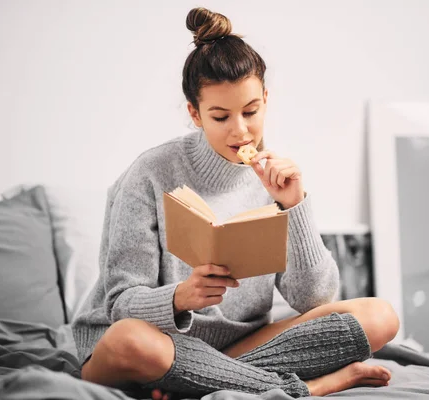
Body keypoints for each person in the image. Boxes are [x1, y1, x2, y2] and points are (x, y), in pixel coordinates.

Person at [72, 7, 399, 399]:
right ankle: (304, 389)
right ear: (195, 113)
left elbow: (314, 300)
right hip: (149, 347)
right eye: (221, 116)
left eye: (250, 111)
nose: (240, 130)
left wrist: (294, 205)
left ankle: (195, 381)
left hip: (238, 346)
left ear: (266, 99)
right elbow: (120, 307)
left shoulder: (275, 177)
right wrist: (180, 297)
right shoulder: (149, 173)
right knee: (130, 340)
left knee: (380, 317)